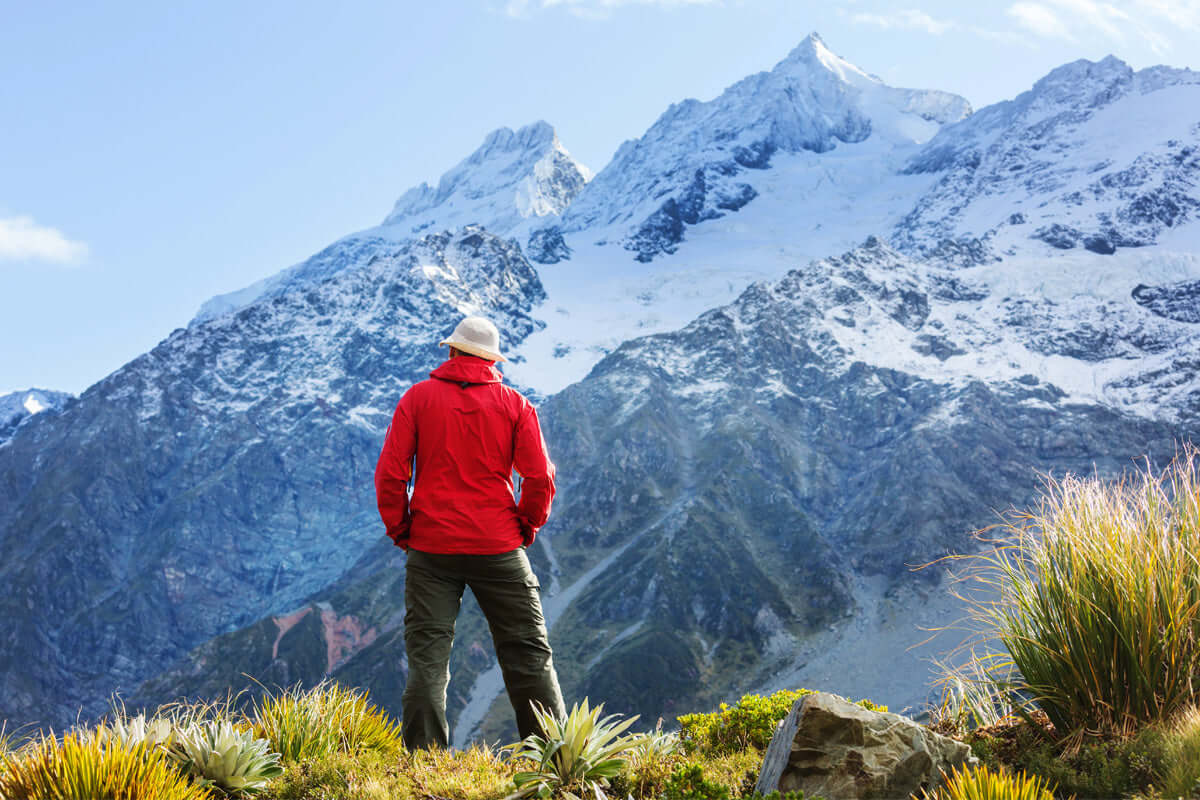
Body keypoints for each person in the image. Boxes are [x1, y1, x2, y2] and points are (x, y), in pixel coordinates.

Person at [374, 315, 566, 750]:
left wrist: (402, 529)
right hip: (498, 544)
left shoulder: (417, 400)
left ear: (452, 352)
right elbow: (539, 477)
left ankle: (423, 767)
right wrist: (526, 524)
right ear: (491, 361)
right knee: (528, 654)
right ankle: (554, 763)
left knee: (428, 658)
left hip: (430, 546)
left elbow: (390, 475)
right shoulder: (515, 405)